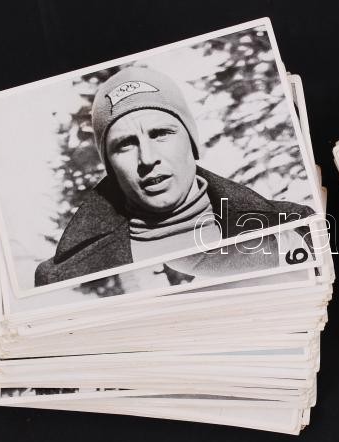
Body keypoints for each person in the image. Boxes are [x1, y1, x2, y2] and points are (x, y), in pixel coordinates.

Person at [35, 66, 314, 286]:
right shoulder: (66, 277)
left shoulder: (296, 225)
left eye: (160, 134)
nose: (147, 158)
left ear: (192, 142)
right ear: (110, 167)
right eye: (125, 144)